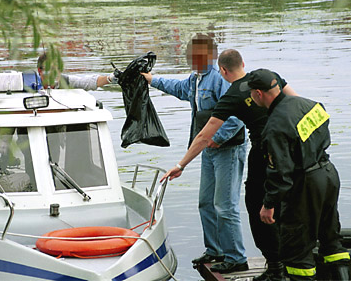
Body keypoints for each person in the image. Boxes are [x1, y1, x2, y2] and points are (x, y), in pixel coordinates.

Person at [160, 49, 298, 279]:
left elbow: (204, 136)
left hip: (263, 153)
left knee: (257, 209)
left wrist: (180, 165)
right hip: (291, 149)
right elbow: (296, 101)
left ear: (222, 70)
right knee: (282, 208)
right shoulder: (267, 77)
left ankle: (265, 264)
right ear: (243, 63)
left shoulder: (233, 95)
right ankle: (278, 264)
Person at [142, 34, 248, 273]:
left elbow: (238, 116)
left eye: (196, 54)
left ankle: (236, 258)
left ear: (209, 55)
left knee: (225, 205)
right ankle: (215, 251)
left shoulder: (221, 78)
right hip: (207, 148)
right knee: (205, 203)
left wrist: (217, 139)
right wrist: (151, 80)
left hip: (227, 150)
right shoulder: (195, 79)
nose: (190, 57)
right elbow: (178, 88)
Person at [240, 68, 350, 281]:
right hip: (328, 174)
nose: (251, 97)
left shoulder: (273, 126)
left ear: (258, 94)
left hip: (306, 184)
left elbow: (280, 172)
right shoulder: (309, 104)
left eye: (251, 93)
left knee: (296, 251)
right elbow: (322, 127)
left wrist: (268, 204)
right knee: (331, 239)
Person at [37, 52, 117, 90]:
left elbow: (87, 82)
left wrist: (110, 78)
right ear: (40, 71)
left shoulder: (66, 81)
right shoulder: (27, 85)